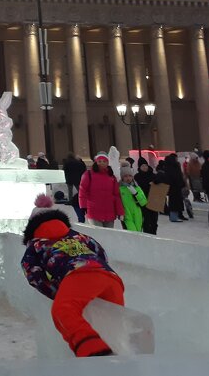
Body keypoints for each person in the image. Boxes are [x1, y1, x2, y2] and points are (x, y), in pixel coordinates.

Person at [22, 194, 125, 357]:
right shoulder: (79, 236)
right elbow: (100, 252)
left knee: (63, 310)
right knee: (111, 324)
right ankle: (123, 357)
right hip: (110, 278)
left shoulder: (36, 244)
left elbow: (32, 273)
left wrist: (58, 291)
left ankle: (92, 351)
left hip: (77, 275)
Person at [78, 153, 123, 228]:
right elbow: (82, 191)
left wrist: (120, 211)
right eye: (99, 161)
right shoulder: (88, 174)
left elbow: (116, 195)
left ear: (107, 163)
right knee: (98, 235)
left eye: (104, 161)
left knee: (108, 236)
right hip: (94, 212)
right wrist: (83, 207)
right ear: (96, 162)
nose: (102, 163)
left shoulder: (111, 176)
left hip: (109, 212)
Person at [118, 165, 147, 232]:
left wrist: (136, 194)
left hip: (137, 215)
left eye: (130, 176)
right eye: (125, 176)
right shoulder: (119, 189)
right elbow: (118, 202)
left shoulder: (137, 188)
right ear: (122, 177)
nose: (128, 178)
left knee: (138, 233)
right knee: (132, 233)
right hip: (126, 215)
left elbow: (143, 202)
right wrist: (120, 213)